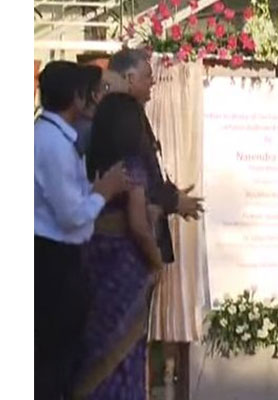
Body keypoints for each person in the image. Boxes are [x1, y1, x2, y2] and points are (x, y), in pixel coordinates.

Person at [34, 61, 129, 399]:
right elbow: (72, 216)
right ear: (76, 96)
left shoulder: (55, 137)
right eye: (91, 92)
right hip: (53, 260)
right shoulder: (53, 144)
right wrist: (105, 191)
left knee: (62, 355)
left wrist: (95, 190)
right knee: (53, 360)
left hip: (60, 258)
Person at [73, 93, 165, 399]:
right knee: (122, 347)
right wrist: (156, 261)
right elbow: (137, 225)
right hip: (124, 266)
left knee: (94, 345)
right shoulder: (131, 166)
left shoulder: (89, 160)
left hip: (91, 257)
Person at [108, 48, 203, 265]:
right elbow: (134, 179)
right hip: (129, 245)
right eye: (147, 76)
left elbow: (150, 169)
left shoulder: (136, 115)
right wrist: (173, 201)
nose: (153, 82)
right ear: (129, 78)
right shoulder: (121, 121)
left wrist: (172, 195)